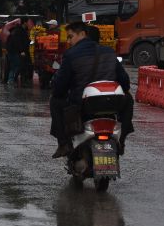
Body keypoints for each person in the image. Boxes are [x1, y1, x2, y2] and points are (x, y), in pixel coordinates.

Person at [49, 21, 134, 159]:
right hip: (112, 104)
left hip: (83, 105)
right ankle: (122, 139)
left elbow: (59, 88)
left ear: (82, 34)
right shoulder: (109, 52)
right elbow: (125, 82)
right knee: (129, 98)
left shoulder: (71, 55)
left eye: (70, 37)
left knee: (55, 101)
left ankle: (63, 143)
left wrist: (59, 90)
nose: (69, 41)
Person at [16, 18, 33, 88]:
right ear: (24, 23)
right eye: (27, 22)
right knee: (23, 66)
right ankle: (22, 81)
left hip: (26, 51)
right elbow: (19, 41)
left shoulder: (24, 30)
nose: (28, 24)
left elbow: (26, 40)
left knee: (26, 66)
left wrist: (30, 41)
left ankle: (24, 80)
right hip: (23, 52)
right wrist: (21, 51)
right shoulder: (19, 31)